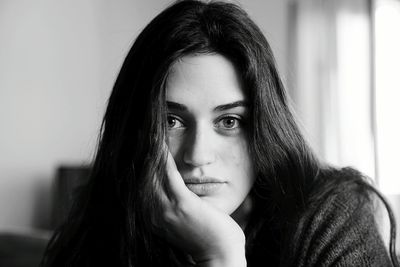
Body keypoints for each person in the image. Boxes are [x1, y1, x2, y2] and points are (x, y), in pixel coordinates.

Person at [41, 0, 399, 266]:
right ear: (136, 130)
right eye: (171, 122)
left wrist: (220, 256)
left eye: (229, 121)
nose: (197, 155)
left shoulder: (329, 217)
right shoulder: (104, 226)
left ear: (264, 127)